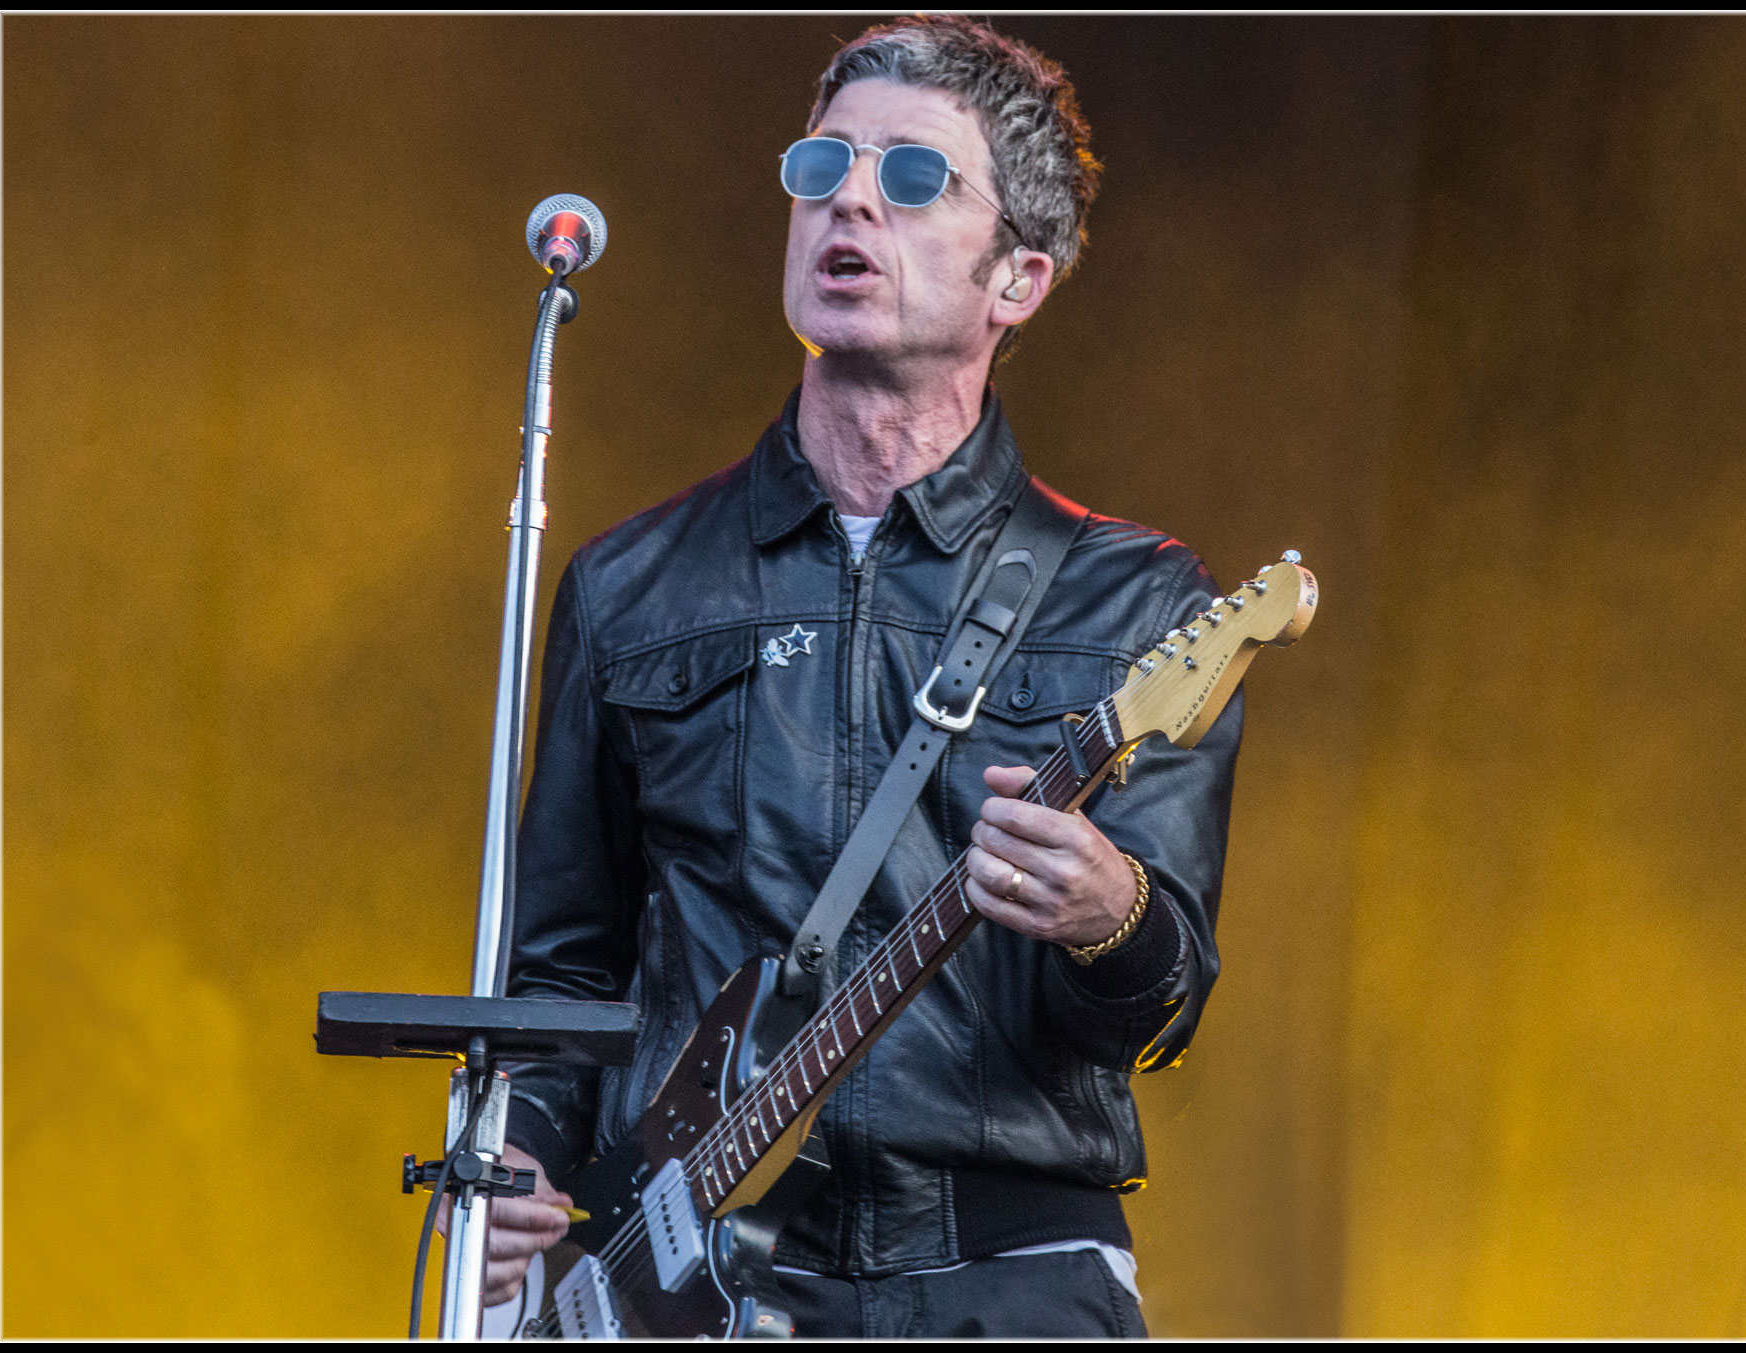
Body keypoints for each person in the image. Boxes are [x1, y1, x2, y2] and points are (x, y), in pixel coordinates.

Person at [479, 15, 1243, 1338]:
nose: (848, 198)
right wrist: (520, 1158)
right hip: (690, 1270)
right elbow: (560, 971)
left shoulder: (1135, 600)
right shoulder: (631, 585)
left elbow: (1160, 1003)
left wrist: (1110, 911)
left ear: (1018, 279)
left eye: (913, 177)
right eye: (823, 162)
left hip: (1005, 1279)